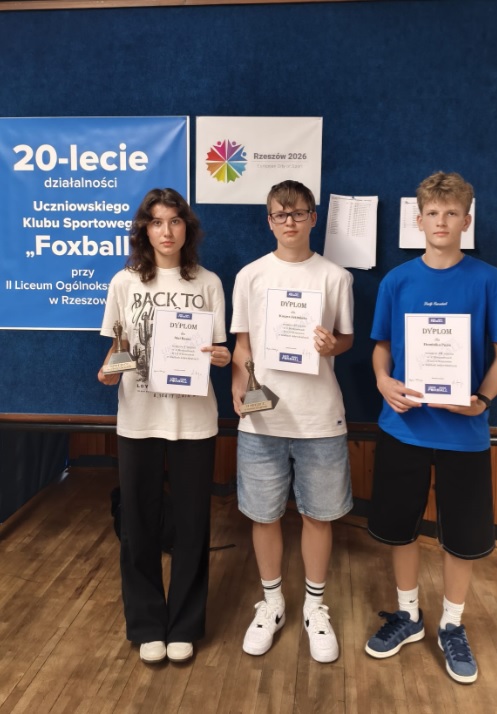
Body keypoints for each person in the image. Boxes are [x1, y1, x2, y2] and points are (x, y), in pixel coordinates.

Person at [365, 171, 497, 684]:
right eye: (433, 213)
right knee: (401, 528)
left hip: (464, 434)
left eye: (452, 213)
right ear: (418, 220)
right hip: (405, 428)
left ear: (467, 220)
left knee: (461, 536)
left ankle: (452, 624)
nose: (442, 221)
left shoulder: (487, 279)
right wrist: (383, 381)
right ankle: (408, 615)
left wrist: (482, 400)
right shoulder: (397, 281)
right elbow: (381, 347)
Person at [98, 188, 231, 665]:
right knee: (138, 523)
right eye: (157, 222)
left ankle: (185, 625)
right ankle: (147, 623)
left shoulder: (208, 283)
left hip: (194, 420)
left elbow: (219, 349)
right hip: (138, 418)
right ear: (145, 230)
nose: (166, 231)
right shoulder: (124, 282)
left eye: (175, 221)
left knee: (193, 525)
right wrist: (107, 370)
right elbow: (117, 349)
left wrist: (222, 357)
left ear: (186, 229)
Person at [231, 179, 354, 663]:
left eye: (298, 213)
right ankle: (273, 603)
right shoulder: (250, 276)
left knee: (318, 515)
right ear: (269, 221)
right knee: (263, 516)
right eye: (280, 214)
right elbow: (242, 345)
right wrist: (238, 386)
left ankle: (315, 608)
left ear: (313, 218)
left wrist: (333, 345)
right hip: (262, 419)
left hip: (320, 418)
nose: (290, 222)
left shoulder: (335, 277)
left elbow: (346, 338)